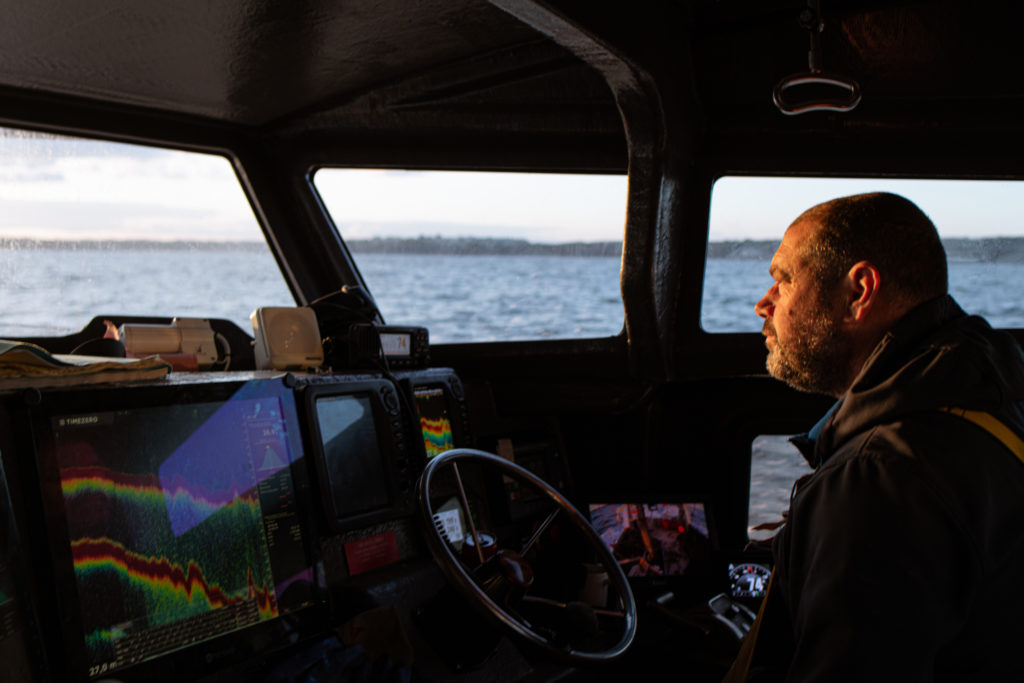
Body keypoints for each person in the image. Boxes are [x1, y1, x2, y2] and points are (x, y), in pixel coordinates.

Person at [744, 192, 1024, 681]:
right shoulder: (990, 398)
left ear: (859, 292)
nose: (761, 305)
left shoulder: (878, 478)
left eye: (783, 282)